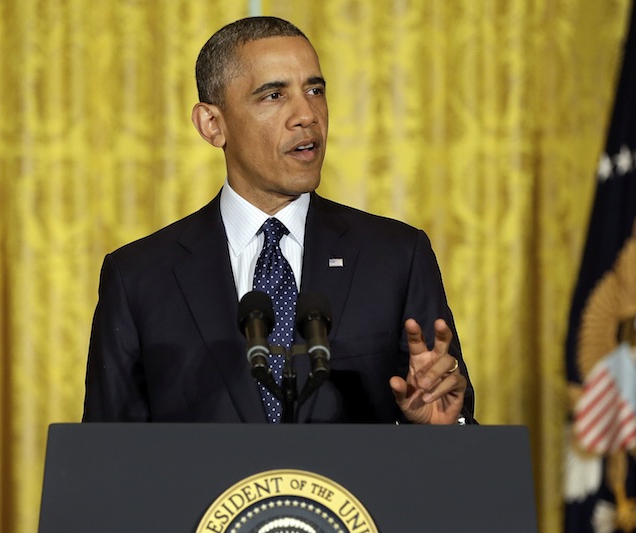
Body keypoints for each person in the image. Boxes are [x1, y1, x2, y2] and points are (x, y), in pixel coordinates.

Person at [82, 16, 476, 425]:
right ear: (212, 125)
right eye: (273, 95)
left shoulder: (396, 257)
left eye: (315, 90)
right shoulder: (139, 277)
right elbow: (107, 462)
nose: (307, 115)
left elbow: (454, 438)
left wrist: (435, 428)